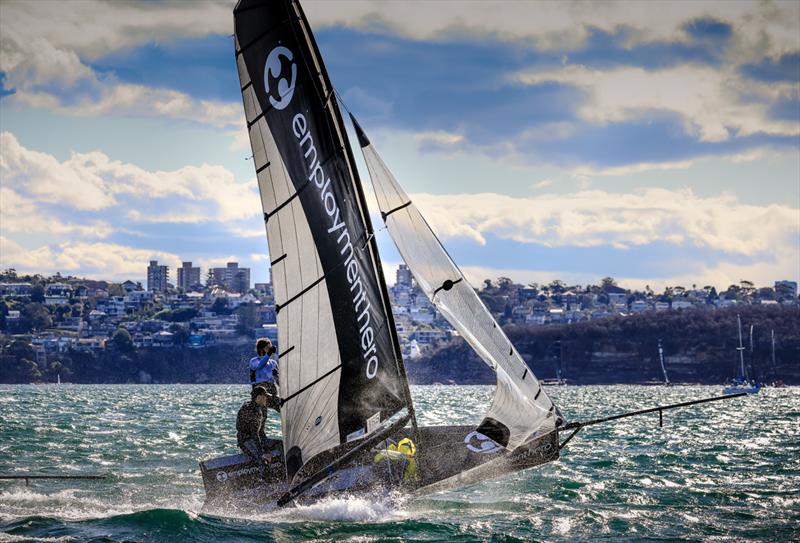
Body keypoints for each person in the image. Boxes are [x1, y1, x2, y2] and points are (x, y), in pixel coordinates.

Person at [237, 386, 274, 467]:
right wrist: (262, 452)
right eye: (265, 396)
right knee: (262, 459)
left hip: (255, 439)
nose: (266, 399)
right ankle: (263, 478)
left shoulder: (258, 408)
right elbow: (254, 434)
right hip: (245, 441)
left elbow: (260, 432)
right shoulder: (251, 410)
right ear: (259, 397)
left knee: (281, 445)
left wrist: (267, 448)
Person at [249, 338, 280, 411]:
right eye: (268, 348)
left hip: (271, 389)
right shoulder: (254, 361)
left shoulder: (273, 363)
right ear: (261, 349)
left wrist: (277, 376)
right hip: (259, 390)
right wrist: (269, 354)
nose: (270, 349)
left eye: (271, 347)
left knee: (281, 404)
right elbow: (260, 366)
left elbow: (278, 383)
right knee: (262, 414)